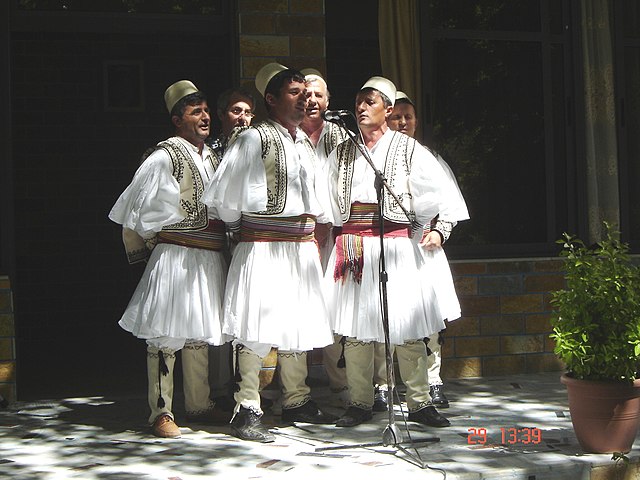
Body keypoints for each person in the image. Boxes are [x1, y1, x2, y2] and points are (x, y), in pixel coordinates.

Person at [201, 63, 336, 443]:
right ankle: (247, 407)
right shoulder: (252, 139)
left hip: (299, 247)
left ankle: (296, 399)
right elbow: (226, 200)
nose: (305, 99)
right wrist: (248, 229)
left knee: (296, 324)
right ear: (272, 99)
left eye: (307, 93)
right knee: (256, 325)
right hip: (263, 245)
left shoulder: (302, 144)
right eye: (295, 93)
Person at [324, 76, 457, 428]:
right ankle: (360, 401)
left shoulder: (410, 149)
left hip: (397, 244)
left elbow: (442, 199)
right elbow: (325, 201)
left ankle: (419, 402)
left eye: (370, 101)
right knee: (355, 329)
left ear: (388, 109)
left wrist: (437, 232)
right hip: (353, 244)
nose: (361, 107)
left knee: (408, 324)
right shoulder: (342, 151)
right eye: (358, 101)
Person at [109, 80, 228, 438]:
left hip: (207, 255)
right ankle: (161, 411)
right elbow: (136, 211)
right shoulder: (165, 156)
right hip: (176, 256)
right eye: (196, 112)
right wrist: (153, 247)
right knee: (166, 336)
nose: (205, 117)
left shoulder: (213, 157)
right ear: (178, 120)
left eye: (206, 110)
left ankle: (199, 404)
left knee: (198, 335)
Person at [386, 91, 470, 408]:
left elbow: (450, 205)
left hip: (423, 246)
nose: (403, 122)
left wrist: (439, 231)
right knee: (384, 315)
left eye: (409, 116)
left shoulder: (430, 157)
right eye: (397, 116)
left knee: (430, 319)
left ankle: (432, 381)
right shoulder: (371, 158)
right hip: (388, 249)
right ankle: (384, 384)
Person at [300, 68, 350, 407]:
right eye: (306, 94)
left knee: (335, 310)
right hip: (297, 239)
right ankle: (295, 392)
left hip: (335, 237)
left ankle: (342, 386)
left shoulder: (343, 138)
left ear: (329, 100)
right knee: (298, 308)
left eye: (319, 94)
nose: (312, 100)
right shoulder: (287, 136)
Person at [206, 87, 256, 413]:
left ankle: (246, 387)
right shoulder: (210, 152)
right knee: (217, 317)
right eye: (236, 111)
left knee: (245, 314)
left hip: (247, 243)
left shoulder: (257, 150)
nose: (243, 118)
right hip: (215, 244)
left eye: (248, 113)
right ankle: (219, 388)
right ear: (223, 114)